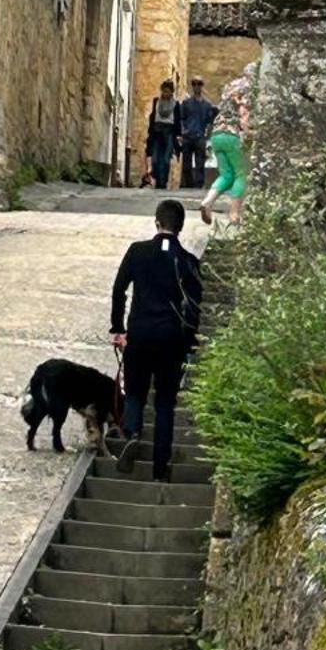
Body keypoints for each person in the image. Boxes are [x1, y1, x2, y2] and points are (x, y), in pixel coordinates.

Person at [110, 198, 203, 481]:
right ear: (181, 227)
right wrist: (188, 343)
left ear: (156, 222)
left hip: (139, 334)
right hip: (171, 339)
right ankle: (160, 469)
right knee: (164, 402)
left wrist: (118, 328)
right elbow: (194, 308)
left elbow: (119, 289)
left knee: (135, 392)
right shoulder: (188, 261)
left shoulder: (138, 252)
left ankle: (133, 433)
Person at [201, 62, 256, 227]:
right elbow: (244, 113)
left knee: (226, 175)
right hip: (233, 135)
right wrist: (248, 134)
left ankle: (207, 202)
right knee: (242, 174)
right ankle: (234, 213)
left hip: (217, 134)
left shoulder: (230, 86)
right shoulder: (249, 89)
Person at [179, 76, 217, 190]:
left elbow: (210, 122)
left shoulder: (207, 105)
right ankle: (189, 185)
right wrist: (182, 132)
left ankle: (198, 185)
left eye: (199, 84)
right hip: (188, 136)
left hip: (200, 136)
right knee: (187, 164)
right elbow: (181, 118)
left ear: (202, 85)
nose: (196, 86)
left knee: (200, 163)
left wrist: (208, 136)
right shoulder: (186, 103)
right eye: (194, 83)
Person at [143, 80, 183, 190]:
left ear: (172, 92)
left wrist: (178, 137)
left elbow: (177, 121)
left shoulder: (175, 104)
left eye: (168, 91)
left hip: (169, 133)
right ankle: (157, 177)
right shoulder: (156, 102)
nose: (166, 94)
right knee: (155, 159)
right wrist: (150, 133)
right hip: (157, 132)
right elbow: (153, 117)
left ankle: (163, 182)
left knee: (166, 160)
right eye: (164, 91)